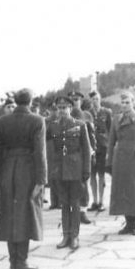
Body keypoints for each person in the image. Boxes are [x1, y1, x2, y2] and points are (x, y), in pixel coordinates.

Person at [0, 88, 46, 269]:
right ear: (30, 102)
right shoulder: (37, 120)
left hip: (8, 170)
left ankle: (14, 260)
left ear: (16, 101)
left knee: (9, 214)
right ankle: (21, 262)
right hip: (27, 170)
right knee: (25, 215)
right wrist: (41, 179)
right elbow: (40, 152)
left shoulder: (2, 121)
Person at [47, 96, 91, 250]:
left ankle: (75, 236)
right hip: (59, 170)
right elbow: (48, 149)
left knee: (75, 203)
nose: (62, 110)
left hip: (75, 170)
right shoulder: (52, 126)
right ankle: (66, 235)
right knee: (64, 204)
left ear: (70, 109)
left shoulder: (80, 125)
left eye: (65, 107)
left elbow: (86, 149)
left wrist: (86, 170)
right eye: (59, 108)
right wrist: (51, 170)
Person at [106, 91, 135, 235]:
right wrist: (109, 162)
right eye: (123, 102)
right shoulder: (116, 119)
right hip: (120, 160)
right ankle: (128, 223)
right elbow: (111, 142)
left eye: (128, 102)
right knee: (123, 191)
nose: (125, 105)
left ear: (133, 102)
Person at [68, 91, 97, 224]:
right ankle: (72, 211)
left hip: (84, 153)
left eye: (77, 99)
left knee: (84, 183)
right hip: (69, 155)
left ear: (81, 101)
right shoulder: (66, 115)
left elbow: (91, 135)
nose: (75, 102)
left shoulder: (87, 115)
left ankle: (83, 211)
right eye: (73, 100)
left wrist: (93, 150)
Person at [88, 91, 112, 212]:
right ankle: (95, 201)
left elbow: (111, 130)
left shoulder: (106, 112)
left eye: (97, 99)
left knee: (101, 175)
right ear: (90, 101)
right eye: (93, 99)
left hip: (103, 146)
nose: (95, 101)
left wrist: (110, 148)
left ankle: (102, 201)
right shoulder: (87, 113)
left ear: (100, 99)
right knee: (92, 175)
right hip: (91, 147)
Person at [45, 102, 60, 210]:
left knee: (59, 177)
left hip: (60, 151)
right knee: (52, 178)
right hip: (50, 152)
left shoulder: (62, 121)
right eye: (53, 109)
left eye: (56, 109)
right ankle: (54, 202)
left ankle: (60, 202)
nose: (55, 112)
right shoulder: (46, 121)